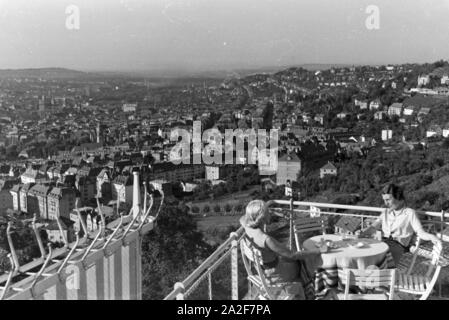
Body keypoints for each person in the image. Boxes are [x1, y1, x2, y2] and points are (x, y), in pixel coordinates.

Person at [240, 200, 321, 299]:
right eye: (268, 212)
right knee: (302, 263)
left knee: (294, 261)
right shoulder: (266, 239)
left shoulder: (246, 226)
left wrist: (269, 207)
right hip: (276, 276)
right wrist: (317, 251)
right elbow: (293, 255)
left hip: (263, 272)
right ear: (263, 218)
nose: (270, 213)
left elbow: (242, 218)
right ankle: (309, 293)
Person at [359, 183, 442, 265]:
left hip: (397, 246)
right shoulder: (385, 212)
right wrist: (362, 233)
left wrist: (431, 237)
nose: (386, 203)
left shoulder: (409, 213)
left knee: (373, 259)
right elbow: (373, 227)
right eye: (384, 200)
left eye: (388, 200)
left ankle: (378, 274)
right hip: (383, 243)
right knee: (363, 252)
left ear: (398, 198)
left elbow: (420, 232)